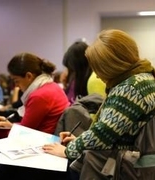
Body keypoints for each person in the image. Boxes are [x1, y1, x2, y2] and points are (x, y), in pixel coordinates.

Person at [43, 29, 155, 179]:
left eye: (98, 67)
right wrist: (80, 141)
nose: (97, 74)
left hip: (121, 166)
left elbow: (103, 134)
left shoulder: (129, 88)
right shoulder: (145, 78)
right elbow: (116, 130)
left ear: (110, 65)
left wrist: (67, 151)